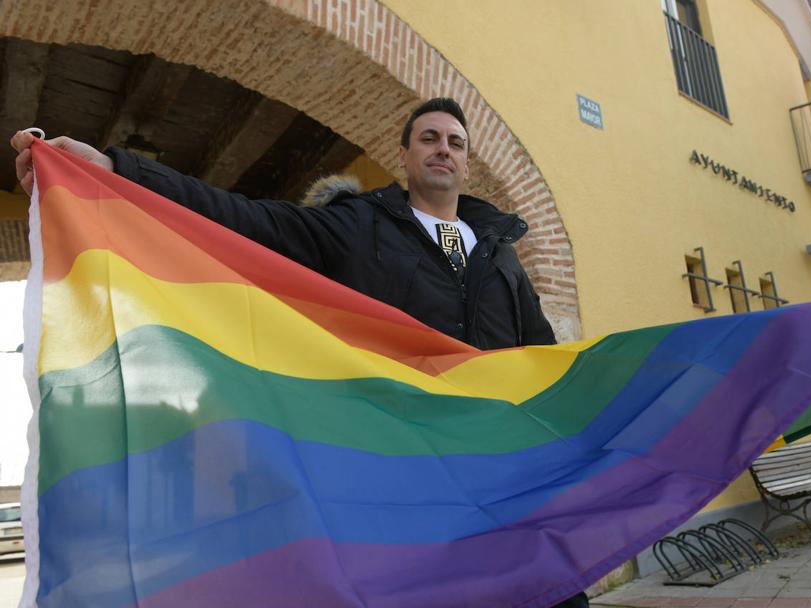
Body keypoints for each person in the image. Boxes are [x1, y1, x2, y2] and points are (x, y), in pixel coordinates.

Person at [11, 98, 589, 607]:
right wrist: (117, 169)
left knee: (550, 590)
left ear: (466, 162)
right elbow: (246, 219)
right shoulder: (357, 228)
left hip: (500, 460)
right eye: (429, 138)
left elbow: (540, 354)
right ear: (406, 157)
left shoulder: (499, 253)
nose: (444, 149)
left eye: (455, 142)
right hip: (402, 464)